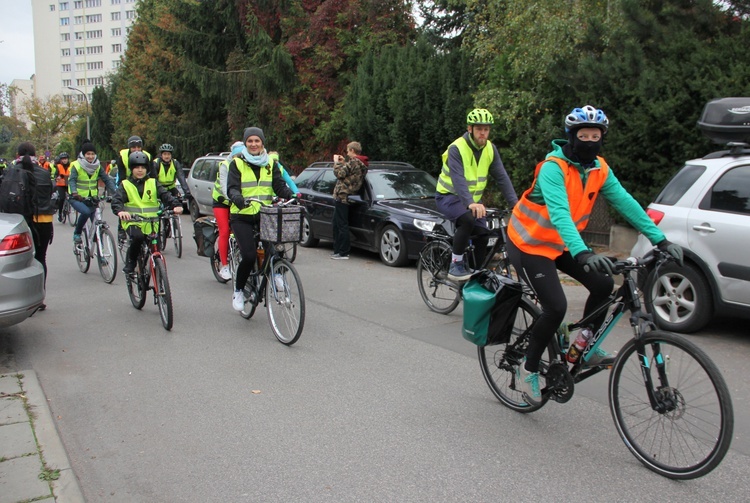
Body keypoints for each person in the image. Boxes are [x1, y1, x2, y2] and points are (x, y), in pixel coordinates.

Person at [506, 105, 684, 406]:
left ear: (603, 137)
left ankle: (582, 346)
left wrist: (660, 240)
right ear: (570, 137)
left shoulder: (600, 168)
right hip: (528, 245)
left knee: (603, 285)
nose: (589, 140)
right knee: (555, 307)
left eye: (596, 135)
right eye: (583, 135)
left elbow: (625, 202)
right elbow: (560, 214)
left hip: (561, 245)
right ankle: (529, 368)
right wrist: (584, 253)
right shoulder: (553, 168)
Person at [436, 108, 519, 281]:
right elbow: (458, 179)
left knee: (483, 234)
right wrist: (470, 203)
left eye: (486, 129)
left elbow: (502, 177)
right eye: (479, 128)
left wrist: (515, 204)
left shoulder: (490, 149)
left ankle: (475, 273)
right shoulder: (456, 148)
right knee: (467, 220)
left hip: (472, 201)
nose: (483, 133)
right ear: (470, 129)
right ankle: (455, 264)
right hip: (448, 196)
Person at [226, 127, 293, 311]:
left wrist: (290, 194)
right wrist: (238, 198)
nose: (254, 144)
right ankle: (239, 290)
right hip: (242, 215)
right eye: (250, 141)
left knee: (276, 246)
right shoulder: (237, 163)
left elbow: (278, 185)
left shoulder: (271, 163)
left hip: (265, 214)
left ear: (262, 142)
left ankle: (277, 274)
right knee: (249, 255)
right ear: (245, 143)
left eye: (257, 141)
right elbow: (231, 188)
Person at [112, 151, 184, 274]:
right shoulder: (125, 184)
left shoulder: (153, 183)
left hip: (151, 222)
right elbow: (117, 201)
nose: (140, 170)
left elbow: (165, 195)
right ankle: (131, 262)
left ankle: (157, 275)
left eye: (143, 168)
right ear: (131, 169)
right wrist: (120, 211)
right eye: (136, 168)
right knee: (137, 237)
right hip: (133, 222)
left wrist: (176, 205)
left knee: (155, 246)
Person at [69, 140, 117, 244]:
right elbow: (72, 180)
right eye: (88, 154)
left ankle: (100, 249)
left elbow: (107, 180)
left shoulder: (98, 166)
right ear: (83, 154)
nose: (90, 156)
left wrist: (116, 192)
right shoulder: (76, 165)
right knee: (85, 212)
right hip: (77, 199)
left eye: (92, 154)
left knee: (97, 224)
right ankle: (77, 233)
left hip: (92, 199)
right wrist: (74, 192)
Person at [331, 141, 368, 260]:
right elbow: (349, 173)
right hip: (348, 195)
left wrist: (336, 163)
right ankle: (338, 250)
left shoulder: (354, 162)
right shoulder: (361, 163)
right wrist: (343, 163)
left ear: (352, 151)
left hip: (343, 196)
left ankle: (343, 252)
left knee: (341, 224)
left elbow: (339, 174)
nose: (347, 153)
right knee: (337, 224)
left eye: (348, 151)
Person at [212, 141, 243, 281]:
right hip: (222, 201)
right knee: (224, 231)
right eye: (237, 155)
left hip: (238, 201)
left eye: (242, 155)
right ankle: (224, 266)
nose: (239, 158)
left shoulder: (246, 164)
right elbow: (225, 188)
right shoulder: (225, 165)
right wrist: (233, 199)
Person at [52, 152, 71, 222]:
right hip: (61, 185)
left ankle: (70, 208)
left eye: (65, 159)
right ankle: (60, 213)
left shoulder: (71, 166)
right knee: (62, 198)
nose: (64, 160)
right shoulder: (58, 166)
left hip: (68, 184)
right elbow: (56, 175)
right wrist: (58, 177)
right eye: (63, 159)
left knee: (73, 197)